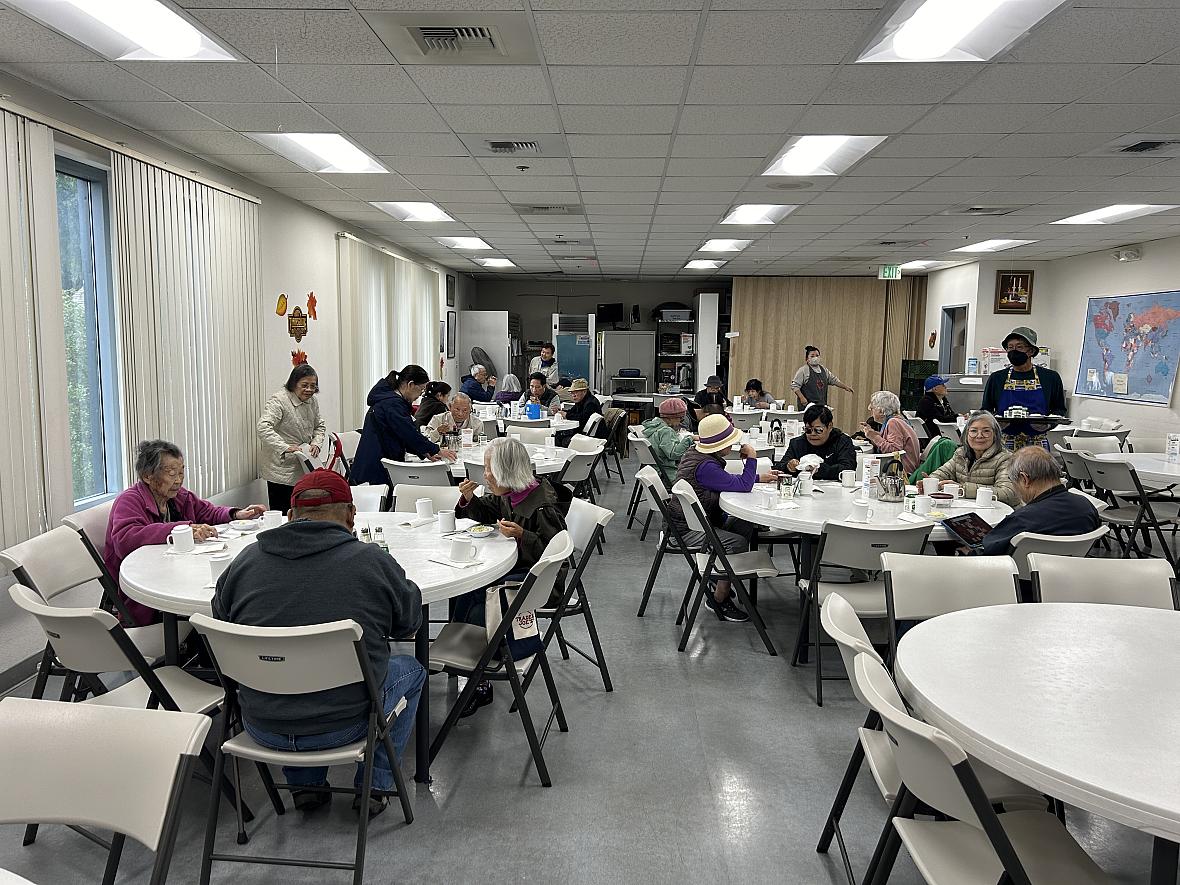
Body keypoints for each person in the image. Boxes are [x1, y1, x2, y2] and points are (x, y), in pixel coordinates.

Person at [212, 469, 424, 817]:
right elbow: (408, 625)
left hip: (261, 723)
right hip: (348, 724)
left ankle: (306, 786)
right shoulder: (372, 562)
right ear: (351, 515)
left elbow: (222, 625)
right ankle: (376, 783)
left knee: (283, 669)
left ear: (291, 516)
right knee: (411, 670)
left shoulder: (245, 563)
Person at [452, 437, 570, 716]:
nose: (485, 476)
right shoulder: (513, 493)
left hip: (539, 582)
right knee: (468, 588)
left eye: (490, 470)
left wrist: (522, 535)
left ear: (508, 471)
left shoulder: (541, 506)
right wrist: (470, 500)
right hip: (518, 569)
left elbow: (556, 557)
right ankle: (463, 659)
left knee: (479, 602)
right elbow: (488, 512)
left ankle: (479, 676)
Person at [106, 440, 264, 626]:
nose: (179, 480)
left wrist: (237, 514)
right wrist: (182, 529)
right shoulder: (130, 500)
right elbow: (126, 539)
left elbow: (208, 512)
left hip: (174, 572)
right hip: (146, 587)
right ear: (148, 476)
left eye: (181, 472)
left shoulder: (178, 496)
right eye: (172, 473)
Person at [664, 414, 781, 623]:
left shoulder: (696, 454)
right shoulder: (707, 467)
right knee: (737, 541)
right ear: (722, 445)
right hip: (686, 532)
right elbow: (742, 486)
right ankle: (719, 597)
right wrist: (751, 459)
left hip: (697, 523)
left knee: (743, 523)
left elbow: (726, 481)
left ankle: (719, 577)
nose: (735, 444)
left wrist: (757, 478)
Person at [977, 447, 1099, 557]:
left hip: (1020, 579)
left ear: (1024, 479)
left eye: (1013, 482)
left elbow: (986, 553)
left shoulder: (1022, 519)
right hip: (1071, 576)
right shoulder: (1087, 507)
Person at [351, 365, 457, 487]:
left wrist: (425, 452)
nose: (421, 395)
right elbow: (408, 433)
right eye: (421, 390)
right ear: (410, 385)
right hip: (375, 467)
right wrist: (435, 449)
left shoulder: (390, 401)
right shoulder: (392, 404)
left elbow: (401, 434)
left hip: (376, 461)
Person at [980, 326, 1066, 450]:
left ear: (1031, 351)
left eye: (1019, 347)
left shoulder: (1050, 378)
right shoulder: (997, 378)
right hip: (1005, 442)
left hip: (1038, 444)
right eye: (1010, 347)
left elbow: (1059, 410)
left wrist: (1047, 424)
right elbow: (985, 410)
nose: (1014, 351)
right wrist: (998, 423)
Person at [257, 364, 327, 512]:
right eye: (304, 385)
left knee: (301, 511)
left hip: (303, 465)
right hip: (280, 469)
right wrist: (284, 447)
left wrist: (316, 443)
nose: (309, 390)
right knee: (284, 512)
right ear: (294, 384)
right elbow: (263, 427)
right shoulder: (279, 400)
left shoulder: (312, 401)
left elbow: (319, 426)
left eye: (313, 386)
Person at [928, 411, 1019, 506]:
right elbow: (942, 473)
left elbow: (1008, 493)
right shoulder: (961, 454)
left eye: (986, 431)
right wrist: (930, 482)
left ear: (995, 435)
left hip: (998, 513)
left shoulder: (1005, 459)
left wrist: (963, 489)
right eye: (973, 431)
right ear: (966, 435)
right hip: (968, 510)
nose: (979, 435)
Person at [775, 404, 857, 481]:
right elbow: (779, 468)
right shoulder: (797, 443)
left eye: (818, 430)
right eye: (808, 430)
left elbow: (848, 469)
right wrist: (788, 466)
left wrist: (820, 469)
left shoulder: (842, 441)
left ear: (830, 426)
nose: (812, 434)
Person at [860, 390, 920, 474]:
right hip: (905, 468)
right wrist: (872, 433)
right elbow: (889, 440)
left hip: (902, 472)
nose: (870, 410)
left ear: (881, 411)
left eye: (872, 408)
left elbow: (894, 451)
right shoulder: (899, 420)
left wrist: (874, 437)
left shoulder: (893, 422)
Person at [640, 397, 695, 485]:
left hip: (654, 472)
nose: (681, 422)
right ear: (670, 418)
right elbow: (674, 454)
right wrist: (690, 438)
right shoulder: (666, 431)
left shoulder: (655, 427)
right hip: (667, 475)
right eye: (681, 419)